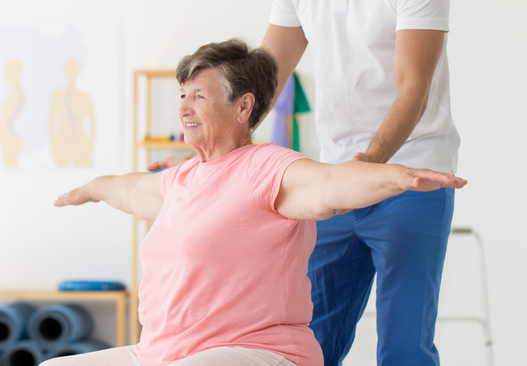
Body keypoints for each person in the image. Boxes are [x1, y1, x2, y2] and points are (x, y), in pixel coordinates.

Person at [47, 39, 465, 366]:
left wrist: (401, 176)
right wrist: (90, 189)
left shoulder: (267, 167)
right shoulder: (180, 179)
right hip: (162, 352)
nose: (184, 108)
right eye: (182, 95)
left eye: (199, 96)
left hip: (258, 351)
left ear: (243, 105)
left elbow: (330, 184)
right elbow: (131, 190)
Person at [151, 2, 458, 365]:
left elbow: (414, 89)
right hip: (333, 178)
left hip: (411, 175)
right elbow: (264, 81)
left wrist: (368, 166)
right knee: (313, 339)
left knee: (404, 347)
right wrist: (209, 158)